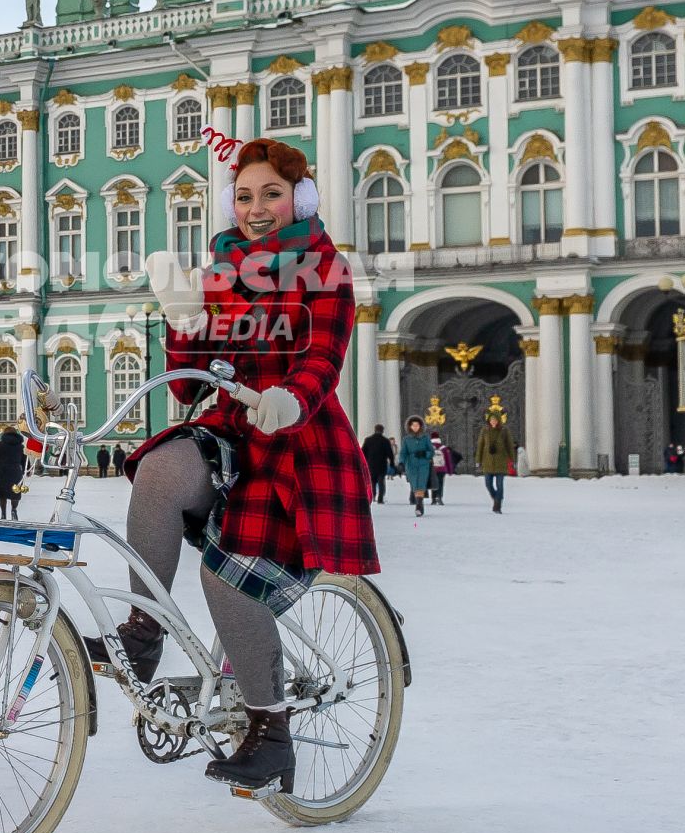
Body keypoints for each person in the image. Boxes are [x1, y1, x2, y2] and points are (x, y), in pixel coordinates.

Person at [86, 136, 377, 795]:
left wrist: (290, 396)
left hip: (296, 443)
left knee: (228, 576)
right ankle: (143, 631)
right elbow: (189, 387)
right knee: (160, 467)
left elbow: (324, 356)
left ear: (298, 199)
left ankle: (271, 733)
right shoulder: (225, 267)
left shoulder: (326, 269)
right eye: (244, 195)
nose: (256, 207)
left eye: (271, 193)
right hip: (231, 429)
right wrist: (184, 319)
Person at [475, 413, 514, 513]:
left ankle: (497, 505)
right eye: (492, 419)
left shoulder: (504, 431)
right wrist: (478, 460)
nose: (493, 421)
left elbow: (509, 445)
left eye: (495, 419)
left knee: (500, 485)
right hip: (488, 462)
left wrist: (512, 459)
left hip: (501, 462)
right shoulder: (485, 431)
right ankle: (496, 497)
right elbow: (480, 446)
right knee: (488, 484)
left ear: (498, 420)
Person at [0, 425, 27, 520]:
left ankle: (3, 513)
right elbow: (25, 460)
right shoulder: (20, 446)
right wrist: (27, 470)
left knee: (2, 494)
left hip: (1, 473)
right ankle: (14, 510)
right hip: (16, 473)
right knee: (15, 493)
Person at [398, 417, 433, 514]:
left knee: (421, 484)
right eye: (413, 425)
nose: (415, 427)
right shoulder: (406, 439)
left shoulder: (425, 438)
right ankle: (418, 503)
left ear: (420, 426)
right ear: (410, 426)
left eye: (417, 425)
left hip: (423, 464)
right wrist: (401, 463)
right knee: (414, 484)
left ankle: (419, 505)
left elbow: (431, 451)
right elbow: (403, 453)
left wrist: (425, 454)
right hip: (411, 464)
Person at [361, 425, 394, 504]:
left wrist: (363, 462)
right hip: (382, 464)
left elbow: (363, 452)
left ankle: (373, 496)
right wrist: (392, 463)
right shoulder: (385, 441)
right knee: (381, 482)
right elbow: (390, 453)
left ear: (374, 430)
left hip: (371, 464)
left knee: (372, 481)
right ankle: (380, 498)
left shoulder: (368, 440)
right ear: (382, 431)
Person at [427, 431, 459, 506]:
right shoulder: (443, 448)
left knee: (433, 483)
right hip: (442, 469)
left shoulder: (429, 447)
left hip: (432, 468)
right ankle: (439, 497)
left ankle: (433, 499)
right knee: (440, 483)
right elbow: (448, 460)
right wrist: (450, 470)